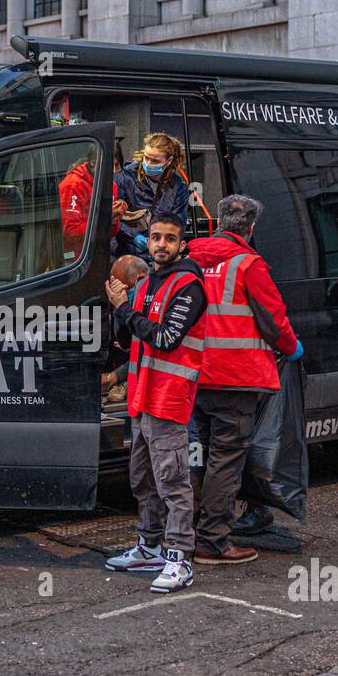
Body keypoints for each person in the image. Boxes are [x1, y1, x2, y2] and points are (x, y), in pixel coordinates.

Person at [187, 195, 304, 562]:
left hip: (190, 374)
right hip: (234, 379)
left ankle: (182, 533)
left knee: (195, 456)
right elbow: (274, 319)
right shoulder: (249, 265)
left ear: (217, 221)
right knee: (225, 460)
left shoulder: (188, 258)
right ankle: (213, 541)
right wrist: (292, 346)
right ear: (251, 228)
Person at [104, 211, 207, 594]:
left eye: (169, 238)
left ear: (181, 244)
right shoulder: (148, 283)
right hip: (142, 396)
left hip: (168, 398)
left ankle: (179, 557)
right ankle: (149, 546)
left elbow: (165, 338)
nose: (161, 244)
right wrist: (121, 311)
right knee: (143, 479)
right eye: (155, 237)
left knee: (172, 481)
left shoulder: (189, 285)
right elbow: (134, 336)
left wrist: (124, 309)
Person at [112, 133, 190, 261]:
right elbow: (115, 219)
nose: (148, 163)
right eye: (146, 158)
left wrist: (158, 241)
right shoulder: (125, 178)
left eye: (155, 161)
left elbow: (177, 223)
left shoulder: (178, 186)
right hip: (128, 255)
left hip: (160, 255)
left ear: (168, 161)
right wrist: (134, 236)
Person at [59, 153, 125, 263]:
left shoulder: (110, 185)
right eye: (110, 165)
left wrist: (114, 219)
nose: (113, 171)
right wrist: (104, 217)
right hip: (75, 258)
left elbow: (110, 233)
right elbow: (69, 233)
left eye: (116, 165)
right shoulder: (73, 185)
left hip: (99, 253)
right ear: (94, 163)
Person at [101, 255, 149, 403]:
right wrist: (119, 308)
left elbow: (149, 351)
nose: (122, 294)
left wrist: (114, 376)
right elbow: (126, 341)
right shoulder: (126, 301)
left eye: (125, 289)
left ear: (140, 279)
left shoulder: (154, 301)